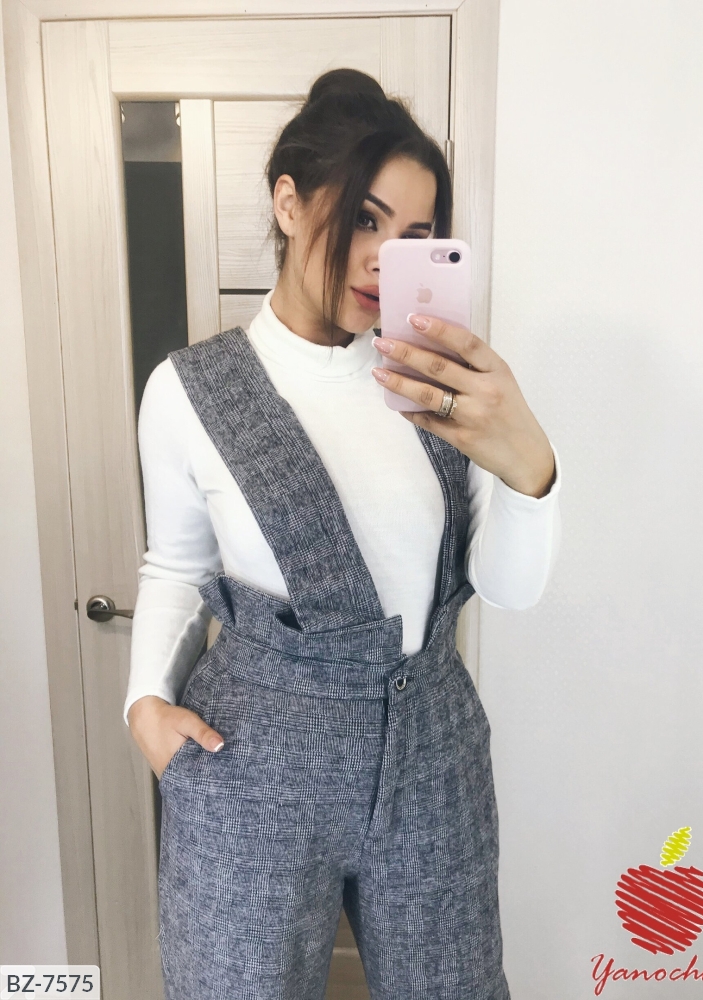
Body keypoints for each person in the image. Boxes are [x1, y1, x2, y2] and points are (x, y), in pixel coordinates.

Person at [125, 67, 561, 1000]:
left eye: (415, 237)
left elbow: (509, 588)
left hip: (432, 750)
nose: (383, 260)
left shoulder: (438, 383)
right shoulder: (189, 391)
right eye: (364, 219)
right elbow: (175, 567)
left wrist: (529, 465)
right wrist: (143, 705)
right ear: (288, 202)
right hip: (255, 759)